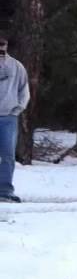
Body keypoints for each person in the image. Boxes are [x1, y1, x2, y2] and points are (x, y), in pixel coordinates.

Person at [0, 36, 30, 203]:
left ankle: (4, 190)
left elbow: (24, 90)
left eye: (3, 46)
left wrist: (17, 109)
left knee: (7, 155)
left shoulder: (17, 66)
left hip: (8, 118)